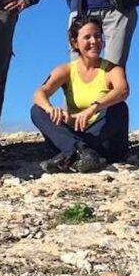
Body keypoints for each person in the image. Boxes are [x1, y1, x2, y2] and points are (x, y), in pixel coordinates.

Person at [30, 14, 131, 173]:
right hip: (74, 136)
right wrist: (51, 109)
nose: (94, 41)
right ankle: (80, 152)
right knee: (37, 110)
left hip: (103, 140)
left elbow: (122, 90)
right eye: (87, 37)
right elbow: (39, 93)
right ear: (75, 43)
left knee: (119, 108)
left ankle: (71, 155)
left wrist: (93, 108)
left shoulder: (112, 69)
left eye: (98, 36)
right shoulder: (66, 70)